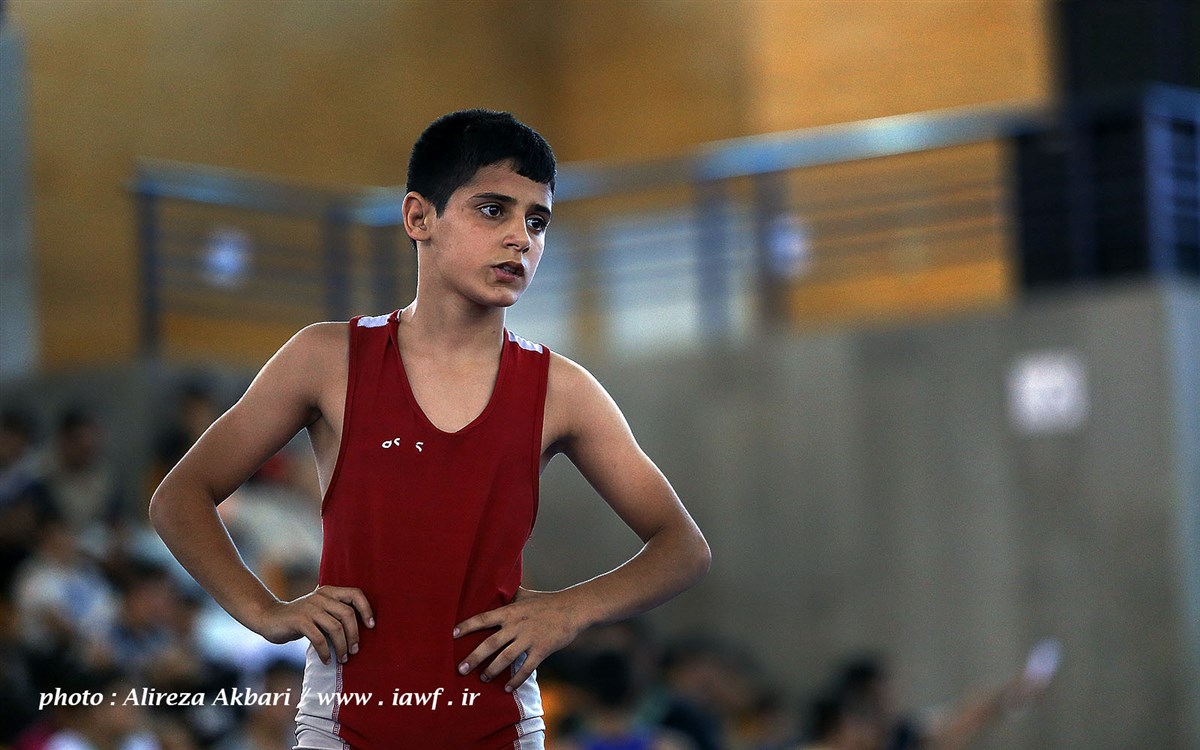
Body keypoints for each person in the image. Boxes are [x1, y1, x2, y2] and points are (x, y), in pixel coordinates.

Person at [149, 109, 712, 750]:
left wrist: (569, 610)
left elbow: (682, 548)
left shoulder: (562, 390)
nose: (520, 239)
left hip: (498, 724)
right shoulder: (327, 359)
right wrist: (264, 611)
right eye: (493, 211)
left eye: (537, 221)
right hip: (345, 723)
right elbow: (179, 497)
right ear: (419, 218)